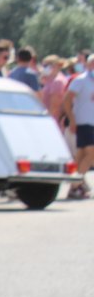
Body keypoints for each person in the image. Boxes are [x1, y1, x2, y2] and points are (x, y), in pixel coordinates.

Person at [61, 60, 94, 199]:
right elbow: (67, 100)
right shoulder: (80, 80)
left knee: (80, 156)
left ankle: (74, 187)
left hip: (91, 122)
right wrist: (72, 120)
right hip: (84, 122)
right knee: (91, 154)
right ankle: (76, 184)